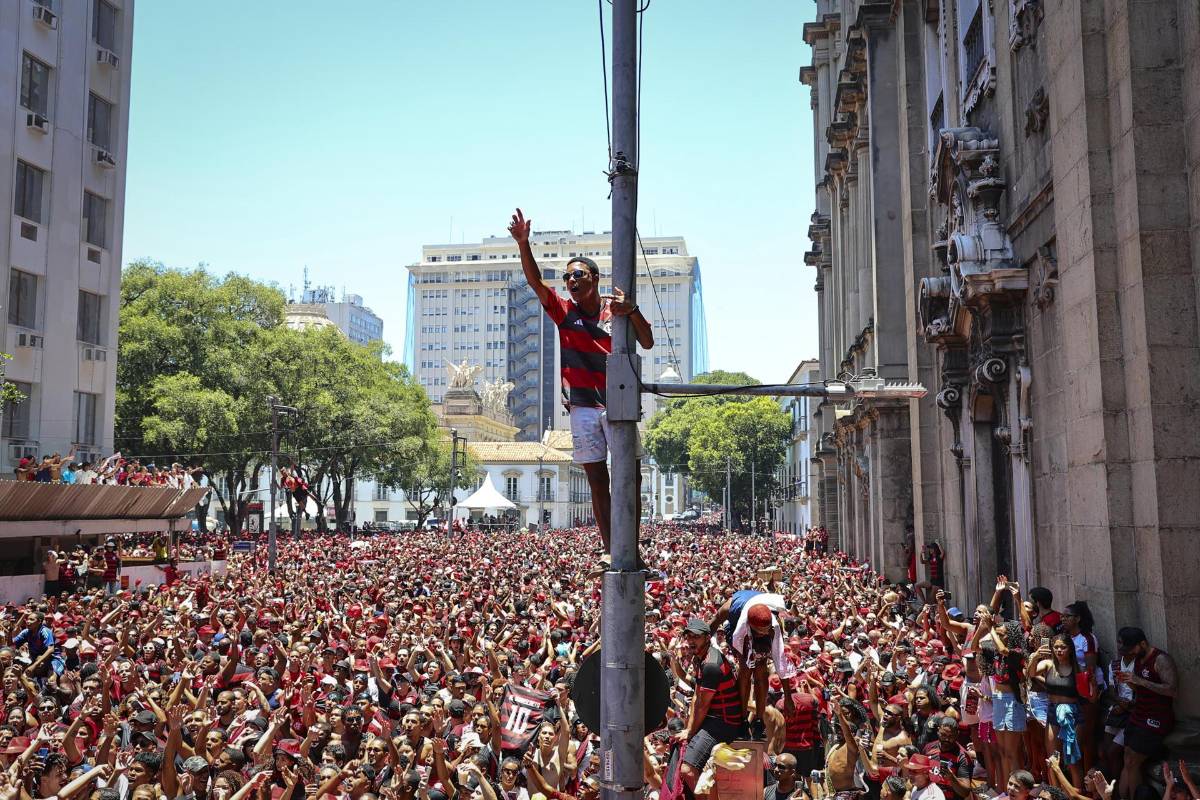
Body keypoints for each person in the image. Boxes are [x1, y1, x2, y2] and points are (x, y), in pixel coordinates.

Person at [509, 208, 654, 564]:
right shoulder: (563, 311)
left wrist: (632, 311)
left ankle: (630, 547)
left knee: (631, 478)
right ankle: (609, 549)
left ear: (595, 277)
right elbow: (535, 283)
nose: (570, 282)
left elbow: (647, 342)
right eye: (566, 277)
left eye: (577, 275)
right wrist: (523, 244)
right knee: (596, 480)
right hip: (583, 408)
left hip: (617, 405)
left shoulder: (614, 310)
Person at [676, 616, 745, 791]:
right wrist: (688, 730)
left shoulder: (711, 664)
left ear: (707, 638)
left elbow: (702, 705)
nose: (691, 641)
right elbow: (697, 696)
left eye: (696, 637)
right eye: (688, 636)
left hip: (723, 723)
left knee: (688, 770)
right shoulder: (700, 657)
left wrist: (690, 732)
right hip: (714, 719)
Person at [1115, 627, 1177, 800]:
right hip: (1138, 714)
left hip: (1156, 718)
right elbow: (1140, 688)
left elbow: (1172, 690)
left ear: (1142, 643)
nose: (1130, 654)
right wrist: (1129, 682)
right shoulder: (1138, 658)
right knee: (1127, 758)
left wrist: (1140, 681)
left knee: (1134, 761)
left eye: (1131, 649)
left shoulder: (1161, 659)